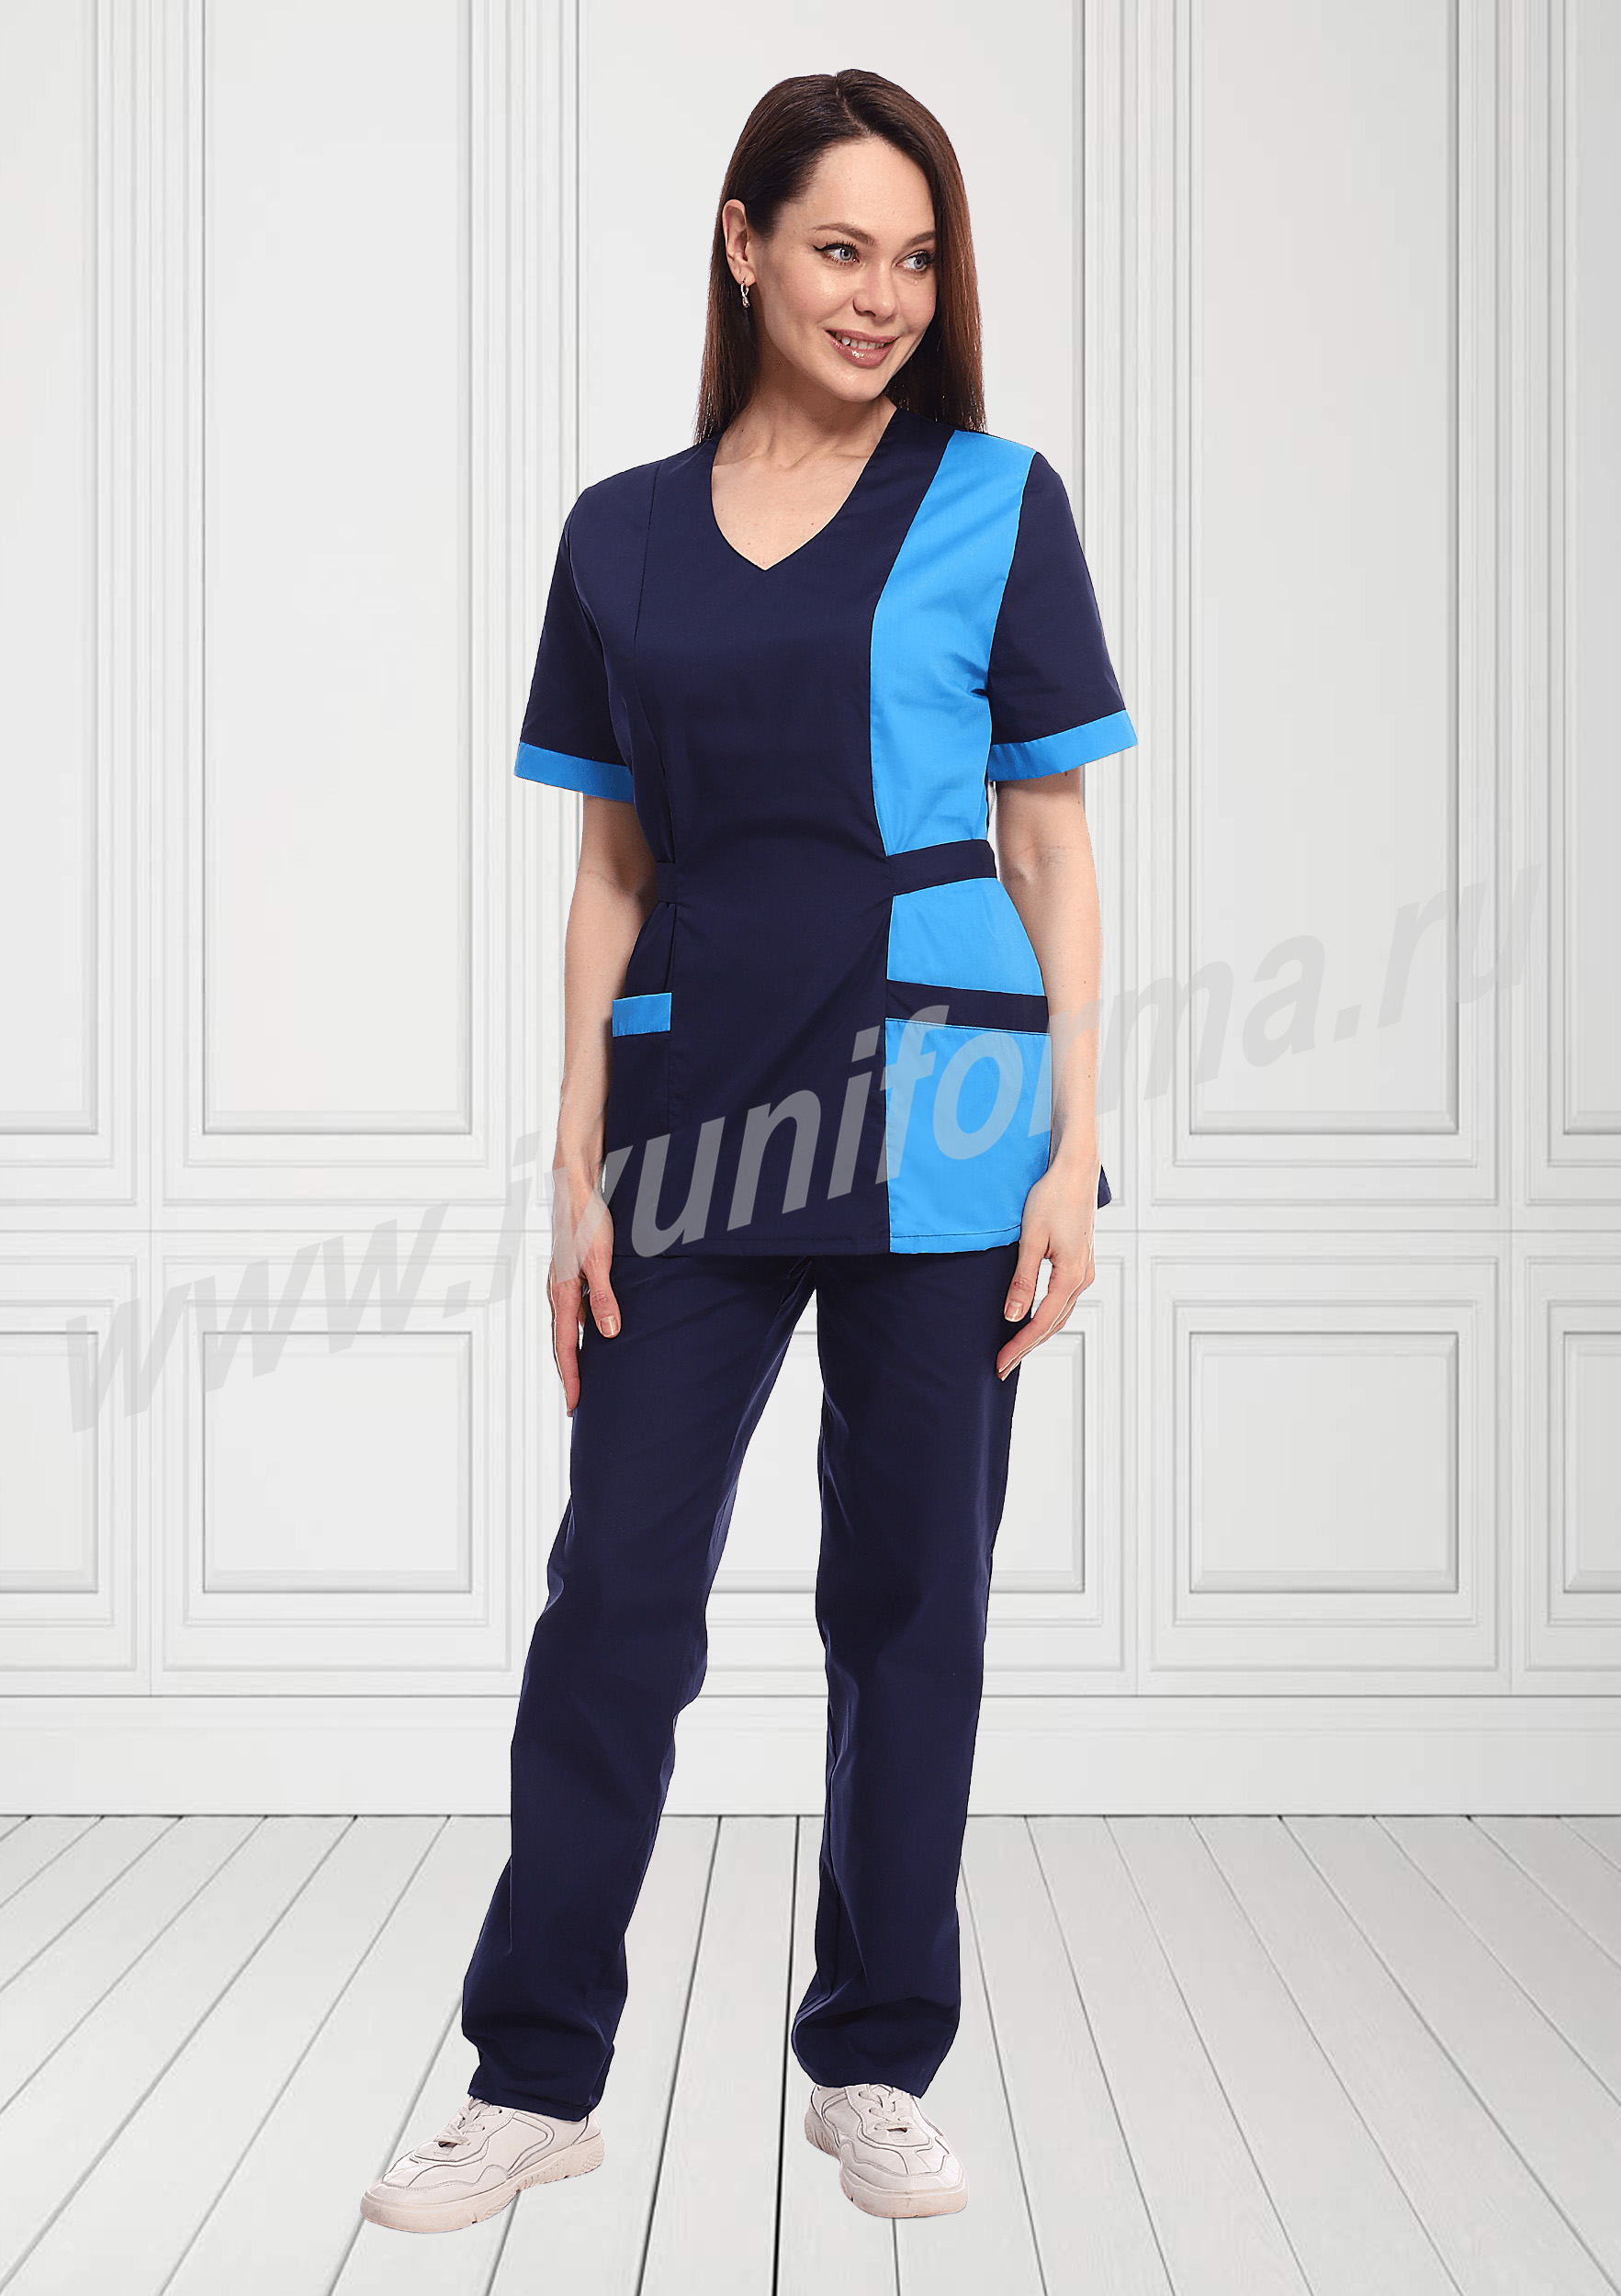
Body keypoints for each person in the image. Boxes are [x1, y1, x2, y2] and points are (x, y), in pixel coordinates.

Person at [361, 64, 1134, 2238]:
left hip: (955, 1102)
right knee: (617, 1591)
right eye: (838, 248)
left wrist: (1073, 1147)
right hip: (692, 1106)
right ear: (742, 245)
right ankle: (532, 2075)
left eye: (916, 258)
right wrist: (570, 1159)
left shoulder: (997, 501)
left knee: (911, 1601)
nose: (881, 294)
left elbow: (1052, 842)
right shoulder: (618, 532)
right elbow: (610, 867)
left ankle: (874, 2059)